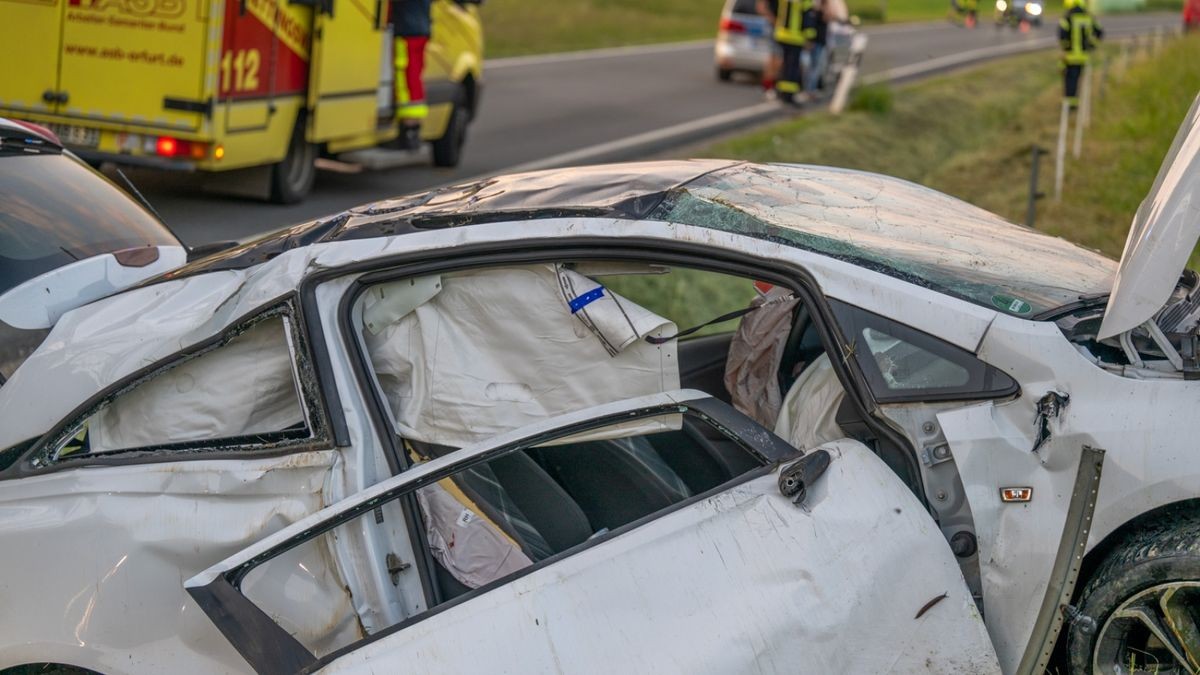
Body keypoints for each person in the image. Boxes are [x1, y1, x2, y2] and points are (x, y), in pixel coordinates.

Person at [391, 0, 432, 150]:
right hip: (421, 30)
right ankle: (413, 126)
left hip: (407, 31)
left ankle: (409, 125)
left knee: (406, 78)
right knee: (414, 76)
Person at [759, 0, 812, 105]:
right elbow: (807, 18)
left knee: (783, 64)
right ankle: (788, 95)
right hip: (796, 37)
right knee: (792, 67)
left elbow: (771, 8)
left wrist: (775, 23)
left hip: (782, 34)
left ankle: (781, 91)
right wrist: (809, 37)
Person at [1058, 0, 1103, 108]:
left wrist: (1066, 49)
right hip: (1084, 56)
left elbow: (1062, 37)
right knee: (1080, 80)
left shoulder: (1068, 18)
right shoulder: (1088, 17)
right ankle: (1076, 104)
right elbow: (1099, 32)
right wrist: (1092, 45)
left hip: (1071, 56)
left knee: (1070, 80)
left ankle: (1070, 105)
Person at [802, 0, 830, 94]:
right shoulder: (815, 11)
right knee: (813, 68)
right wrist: (809, 41)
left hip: (818, 42)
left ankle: (810, 89)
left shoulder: (817, 10)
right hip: (815, 42)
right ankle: (810, 90)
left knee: (814, 67)